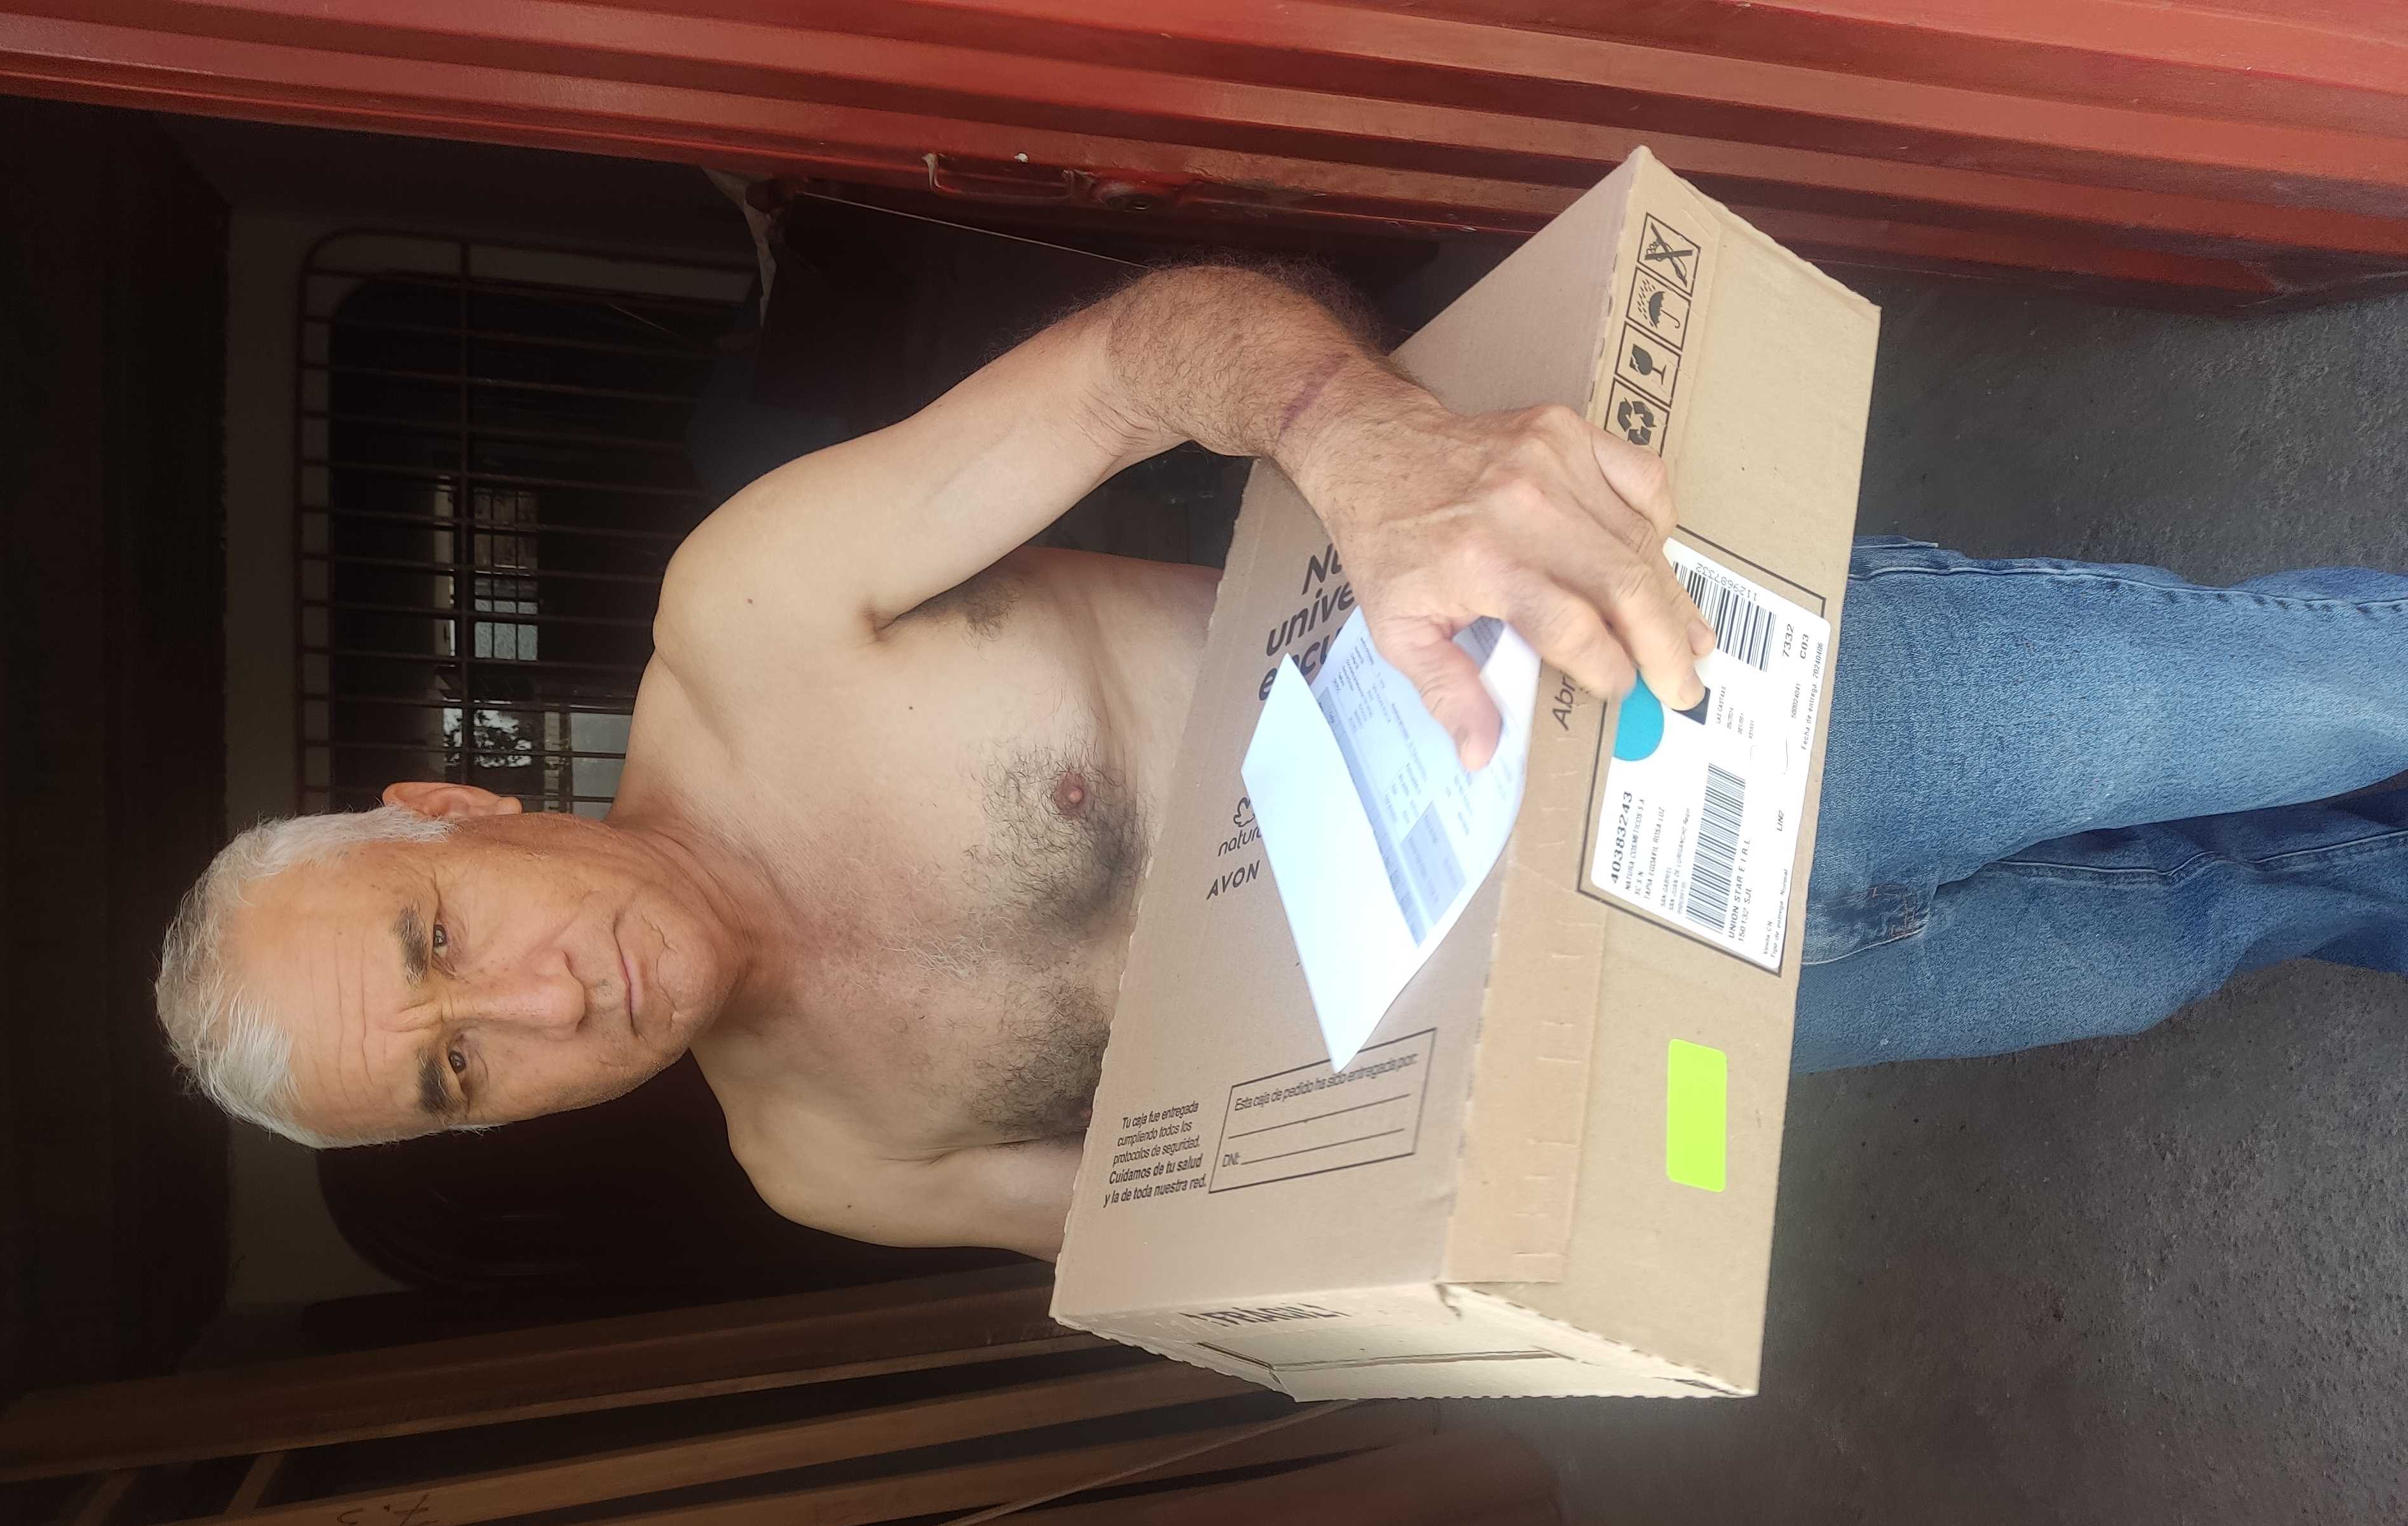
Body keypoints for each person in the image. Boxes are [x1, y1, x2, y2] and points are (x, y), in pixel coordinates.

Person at [157, 265, 2408, 1257]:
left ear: (451, 811)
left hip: (1616, 697)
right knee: (2177, 936)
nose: (541, 1001)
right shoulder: (829, 1163)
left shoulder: (755, 616)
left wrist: (1362, 439)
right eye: (456, 1071)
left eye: (439, 938)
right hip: (1649, 1020)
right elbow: (1228, 1232)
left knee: (2278, 705)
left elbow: (1139, 358)